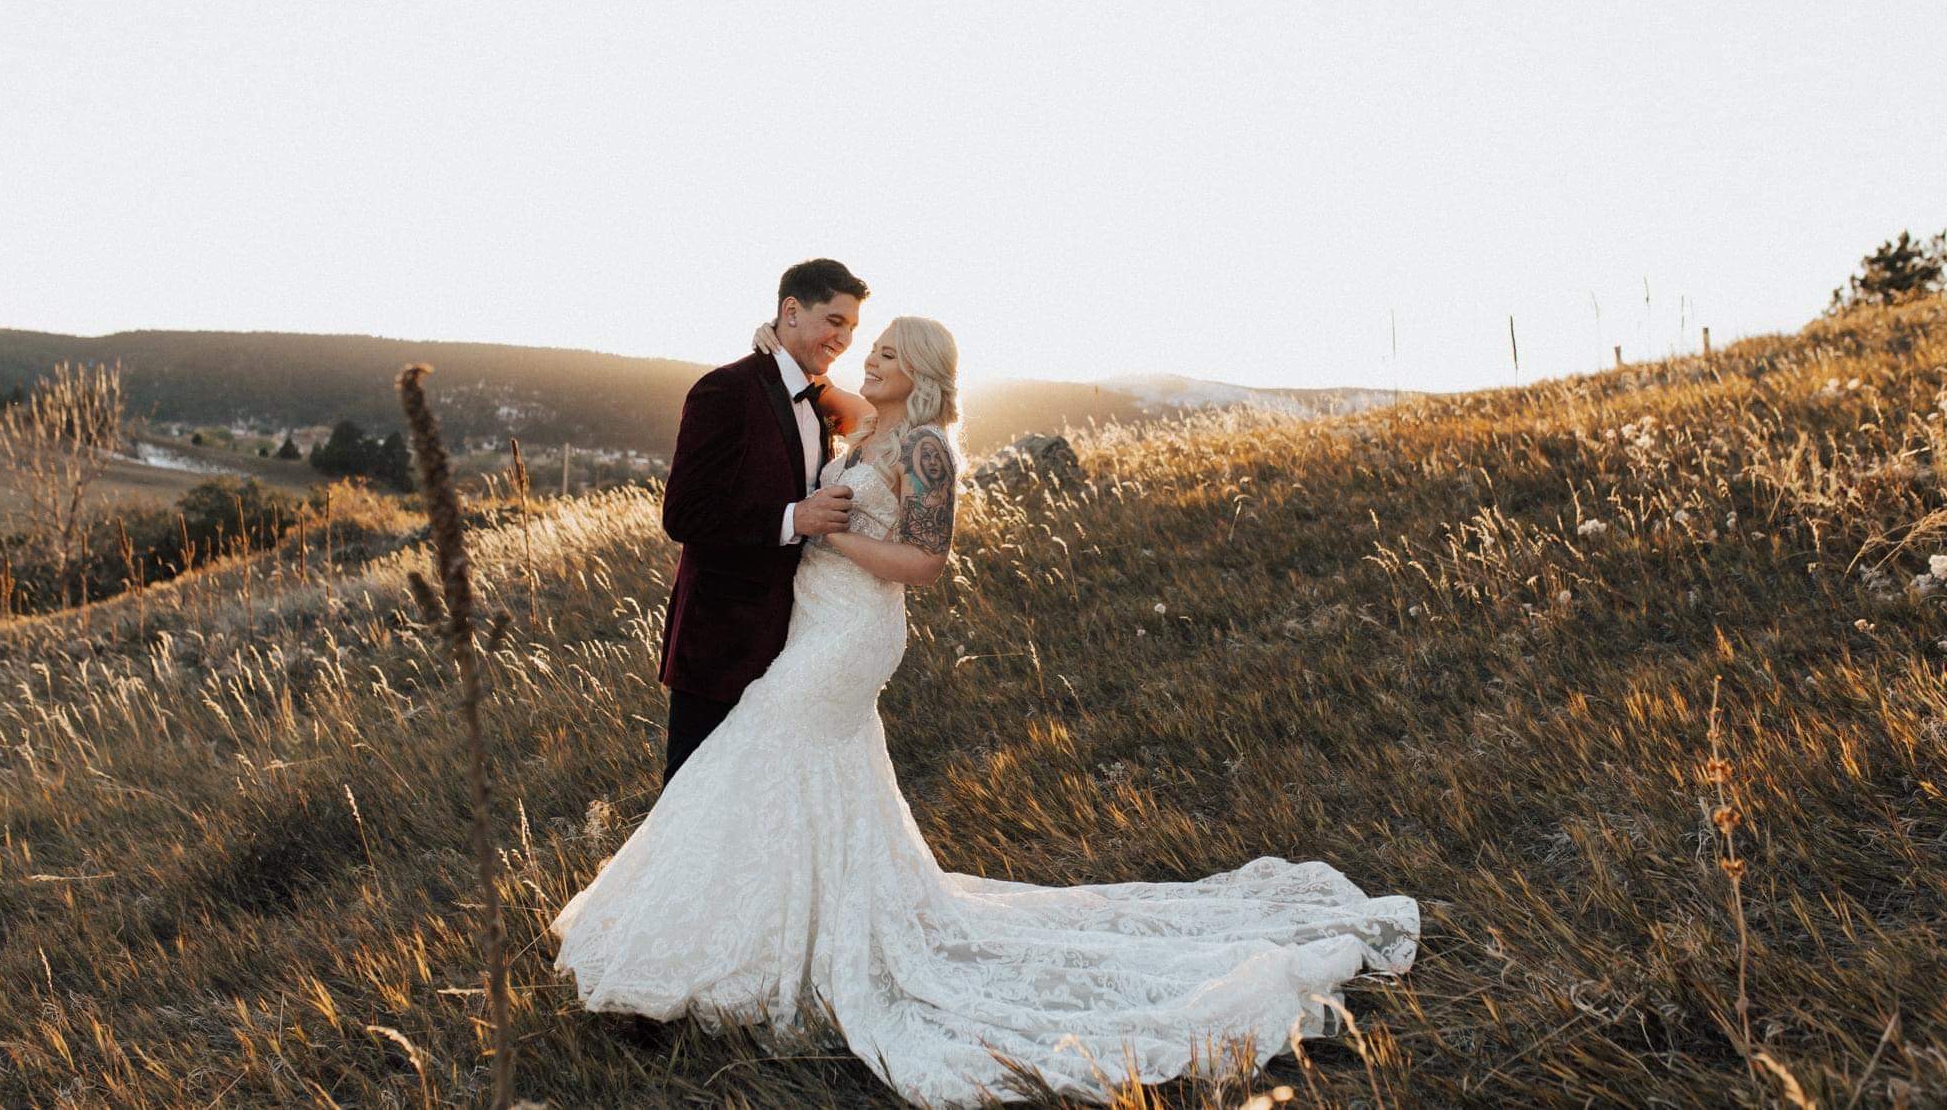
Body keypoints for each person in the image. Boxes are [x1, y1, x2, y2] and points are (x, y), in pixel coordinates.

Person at [551, 313, 1419, 1107]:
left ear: (922, 369)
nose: (871, 356)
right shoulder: (869, 423)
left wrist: (827, 533)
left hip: (850, 635)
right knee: (791, 771)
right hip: (811, 623)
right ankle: (767, 936)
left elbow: (925, 562)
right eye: (869, 344)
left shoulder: (926, 448)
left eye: (888, 349)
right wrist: (780, 348)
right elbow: (804, 391)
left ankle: (730, 946)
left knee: (759, 749)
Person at [654, 257, 870, 785]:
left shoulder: (819, 398)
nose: (843, 338)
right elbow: (684, 513)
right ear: (791, 311)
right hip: (720, 646)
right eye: (834, 321)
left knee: (760, 807)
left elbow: (876, 421)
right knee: (694, 805)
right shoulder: (724, 390)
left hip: (792, 645)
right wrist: (796, 517)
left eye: (852, 328)